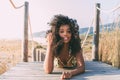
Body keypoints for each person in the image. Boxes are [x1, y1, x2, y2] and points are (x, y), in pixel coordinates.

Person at [44, 14, 85, 79]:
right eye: (62, 31)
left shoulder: (75, 44)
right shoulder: (54, 45)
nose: (65, 34)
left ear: (72, 32)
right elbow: (48, 70)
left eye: (68, 31)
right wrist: (49, 45)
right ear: (57, 33)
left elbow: (82, 67)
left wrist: (70, 73)